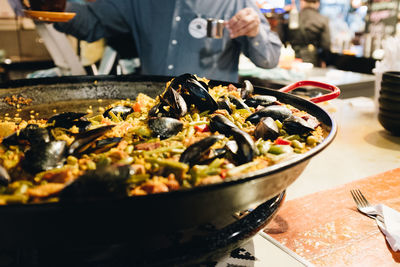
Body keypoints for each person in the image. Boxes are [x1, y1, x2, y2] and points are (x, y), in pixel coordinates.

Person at [8, 0, 282, 82]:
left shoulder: (236, 2)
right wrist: (56, 5)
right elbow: (91, 23)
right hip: (153, 110)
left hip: (215, 117)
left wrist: (255, 31)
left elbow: (269, 60)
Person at [287, 0, 331, 67]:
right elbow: (326, 45)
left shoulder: (292, 17)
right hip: (313, 59)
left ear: (302, 2)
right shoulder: (323, 20)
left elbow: (282, 37)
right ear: (317, 3)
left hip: (290, 57)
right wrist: (323, 60)